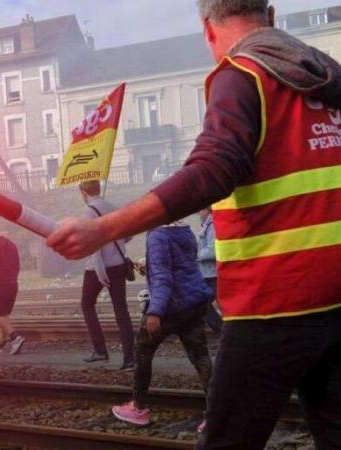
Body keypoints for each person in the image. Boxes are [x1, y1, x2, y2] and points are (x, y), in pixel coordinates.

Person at [47, 1, 341, 448]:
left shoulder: (242, 74)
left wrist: (106, 228)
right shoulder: (326, 79)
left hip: (273, 303)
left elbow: (211, 170)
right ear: (272, 14)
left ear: (207, 30)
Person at [112, 222, 213, 428]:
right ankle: (218, 414)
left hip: (171, 305)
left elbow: (163, 277)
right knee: (200, 356)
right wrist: (148, 267)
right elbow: (180, 266)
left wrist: (155, 311)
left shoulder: (157, 235)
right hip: (193, 301)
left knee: (142, 350)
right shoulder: (185, 230)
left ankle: (138, 409)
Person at [77, 181, 135, 370]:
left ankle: (100, 350)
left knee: (87, 305)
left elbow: (94, 246)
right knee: (121, 312)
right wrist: (116, 241)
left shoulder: (89, 212)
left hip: (97, 268)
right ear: (98, 189)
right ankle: (130, 359)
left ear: (83, 192)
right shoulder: (114, 208)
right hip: (118, 264)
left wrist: (101, 272)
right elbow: (128, 235)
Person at [0, 233, 25, 362]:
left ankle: (15, 337)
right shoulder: (11, 245)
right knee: (3, 314)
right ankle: (1, 342)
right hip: (13, 282)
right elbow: (17, 264)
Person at [196, 208, 222, 334]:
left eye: (200, 209)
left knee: (201, 303)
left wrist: (194, 255)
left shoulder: (211, 225)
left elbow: (213, 250)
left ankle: (222, 329)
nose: (198, 212)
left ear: (207, 210)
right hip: (209, 273)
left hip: (212, 274)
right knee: (204, 303)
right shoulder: (207, 224)